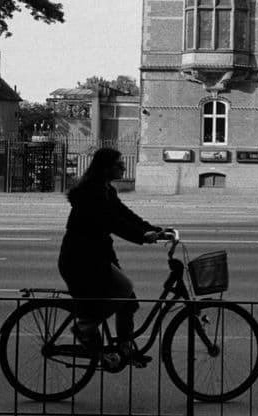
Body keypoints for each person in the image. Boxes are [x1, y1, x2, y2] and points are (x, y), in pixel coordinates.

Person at [58, 147, 170, 370]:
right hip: (81, 260)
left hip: (96, 256)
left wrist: (155, 229)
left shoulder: (106, 190)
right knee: (124, 288)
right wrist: (141, 236)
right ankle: (86, 326)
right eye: (119, 164)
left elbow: (125, 215)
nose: (123, 166)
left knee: (128, 303)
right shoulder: (91, 192)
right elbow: (112, 222)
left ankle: (125, 350)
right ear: (106, 167)